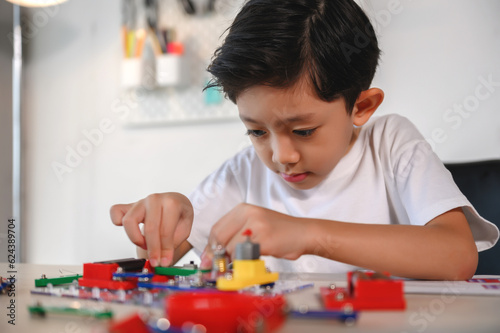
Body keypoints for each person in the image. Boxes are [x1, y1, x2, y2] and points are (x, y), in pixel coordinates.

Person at [110, 0, 498, 280]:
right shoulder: (244, 172)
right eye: (257, 131)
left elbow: (456, 255)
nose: (281, 156)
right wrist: (165, 220)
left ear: (361, 107)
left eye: (303, 131)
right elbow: (159, 262)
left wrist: (308, 234)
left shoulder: (390, 144)